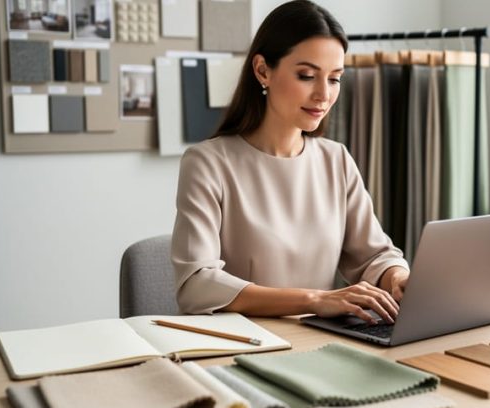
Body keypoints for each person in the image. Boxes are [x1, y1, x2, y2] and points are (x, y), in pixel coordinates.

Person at [171, 0, 408, 325]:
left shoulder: (335, 160)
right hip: (245, 348)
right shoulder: (208, 163)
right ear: (262, 70)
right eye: (307, 76)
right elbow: (196, 284)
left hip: (320, 345)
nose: (324, 94)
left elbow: (374, 255)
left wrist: (397, 278)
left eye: (335, 78)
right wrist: (315, 299)